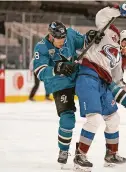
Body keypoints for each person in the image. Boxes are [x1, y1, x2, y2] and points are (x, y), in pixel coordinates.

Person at [74, 4, 126, 171]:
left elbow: (117, 81)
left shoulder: (118, 61)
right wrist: (121, 9)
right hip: (88, 75)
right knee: (94, 119)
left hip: (103, 83)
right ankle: (80, 155)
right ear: (125, 40)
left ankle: (111, 155)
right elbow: (102, 15)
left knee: (113, 119)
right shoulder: (111, 33)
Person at [32, 21, 103, 166]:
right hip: (59, 83)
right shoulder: (41, 47)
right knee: (67, 117)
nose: (63, 42)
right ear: (51, 36)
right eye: (60, 39)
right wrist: (57, 68)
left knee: (95, 101)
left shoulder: (69, 33)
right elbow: (39, 72)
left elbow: (82, 41)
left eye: (64, 39)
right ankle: (63, 150)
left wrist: (90, 36)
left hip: (77, 76)